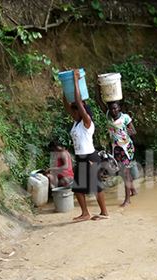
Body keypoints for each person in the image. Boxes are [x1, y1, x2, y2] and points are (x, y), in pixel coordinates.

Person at [63, 69, 109, 221]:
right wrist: (65, 86)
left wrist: (75, 81)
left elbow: (77, 102)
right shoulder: (76, 124)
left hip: (90, 157)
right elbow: (67, 105)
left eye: (76, 111)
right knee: (77, 188)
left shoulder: (87, 123)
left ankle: (104, 213)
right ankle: (85, 213)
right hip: (81, 157)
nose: (73, 113)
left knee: (95, 186)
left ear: (82, 113)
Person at [97, 93, 137, 207]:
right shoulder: (108, 116)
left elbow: (134, 131)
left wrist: (127, 132)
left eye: (115, 108)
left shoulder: (125, 117)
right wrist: (98, 87)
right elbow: (99, 101)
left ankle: (127, 200)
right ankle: (133, 190)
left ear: (119, 108)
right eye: (111, 108)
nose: (113, 110)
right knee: (123, 171)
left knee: (125, 172)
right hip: (116, 149)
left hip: (126, 149)